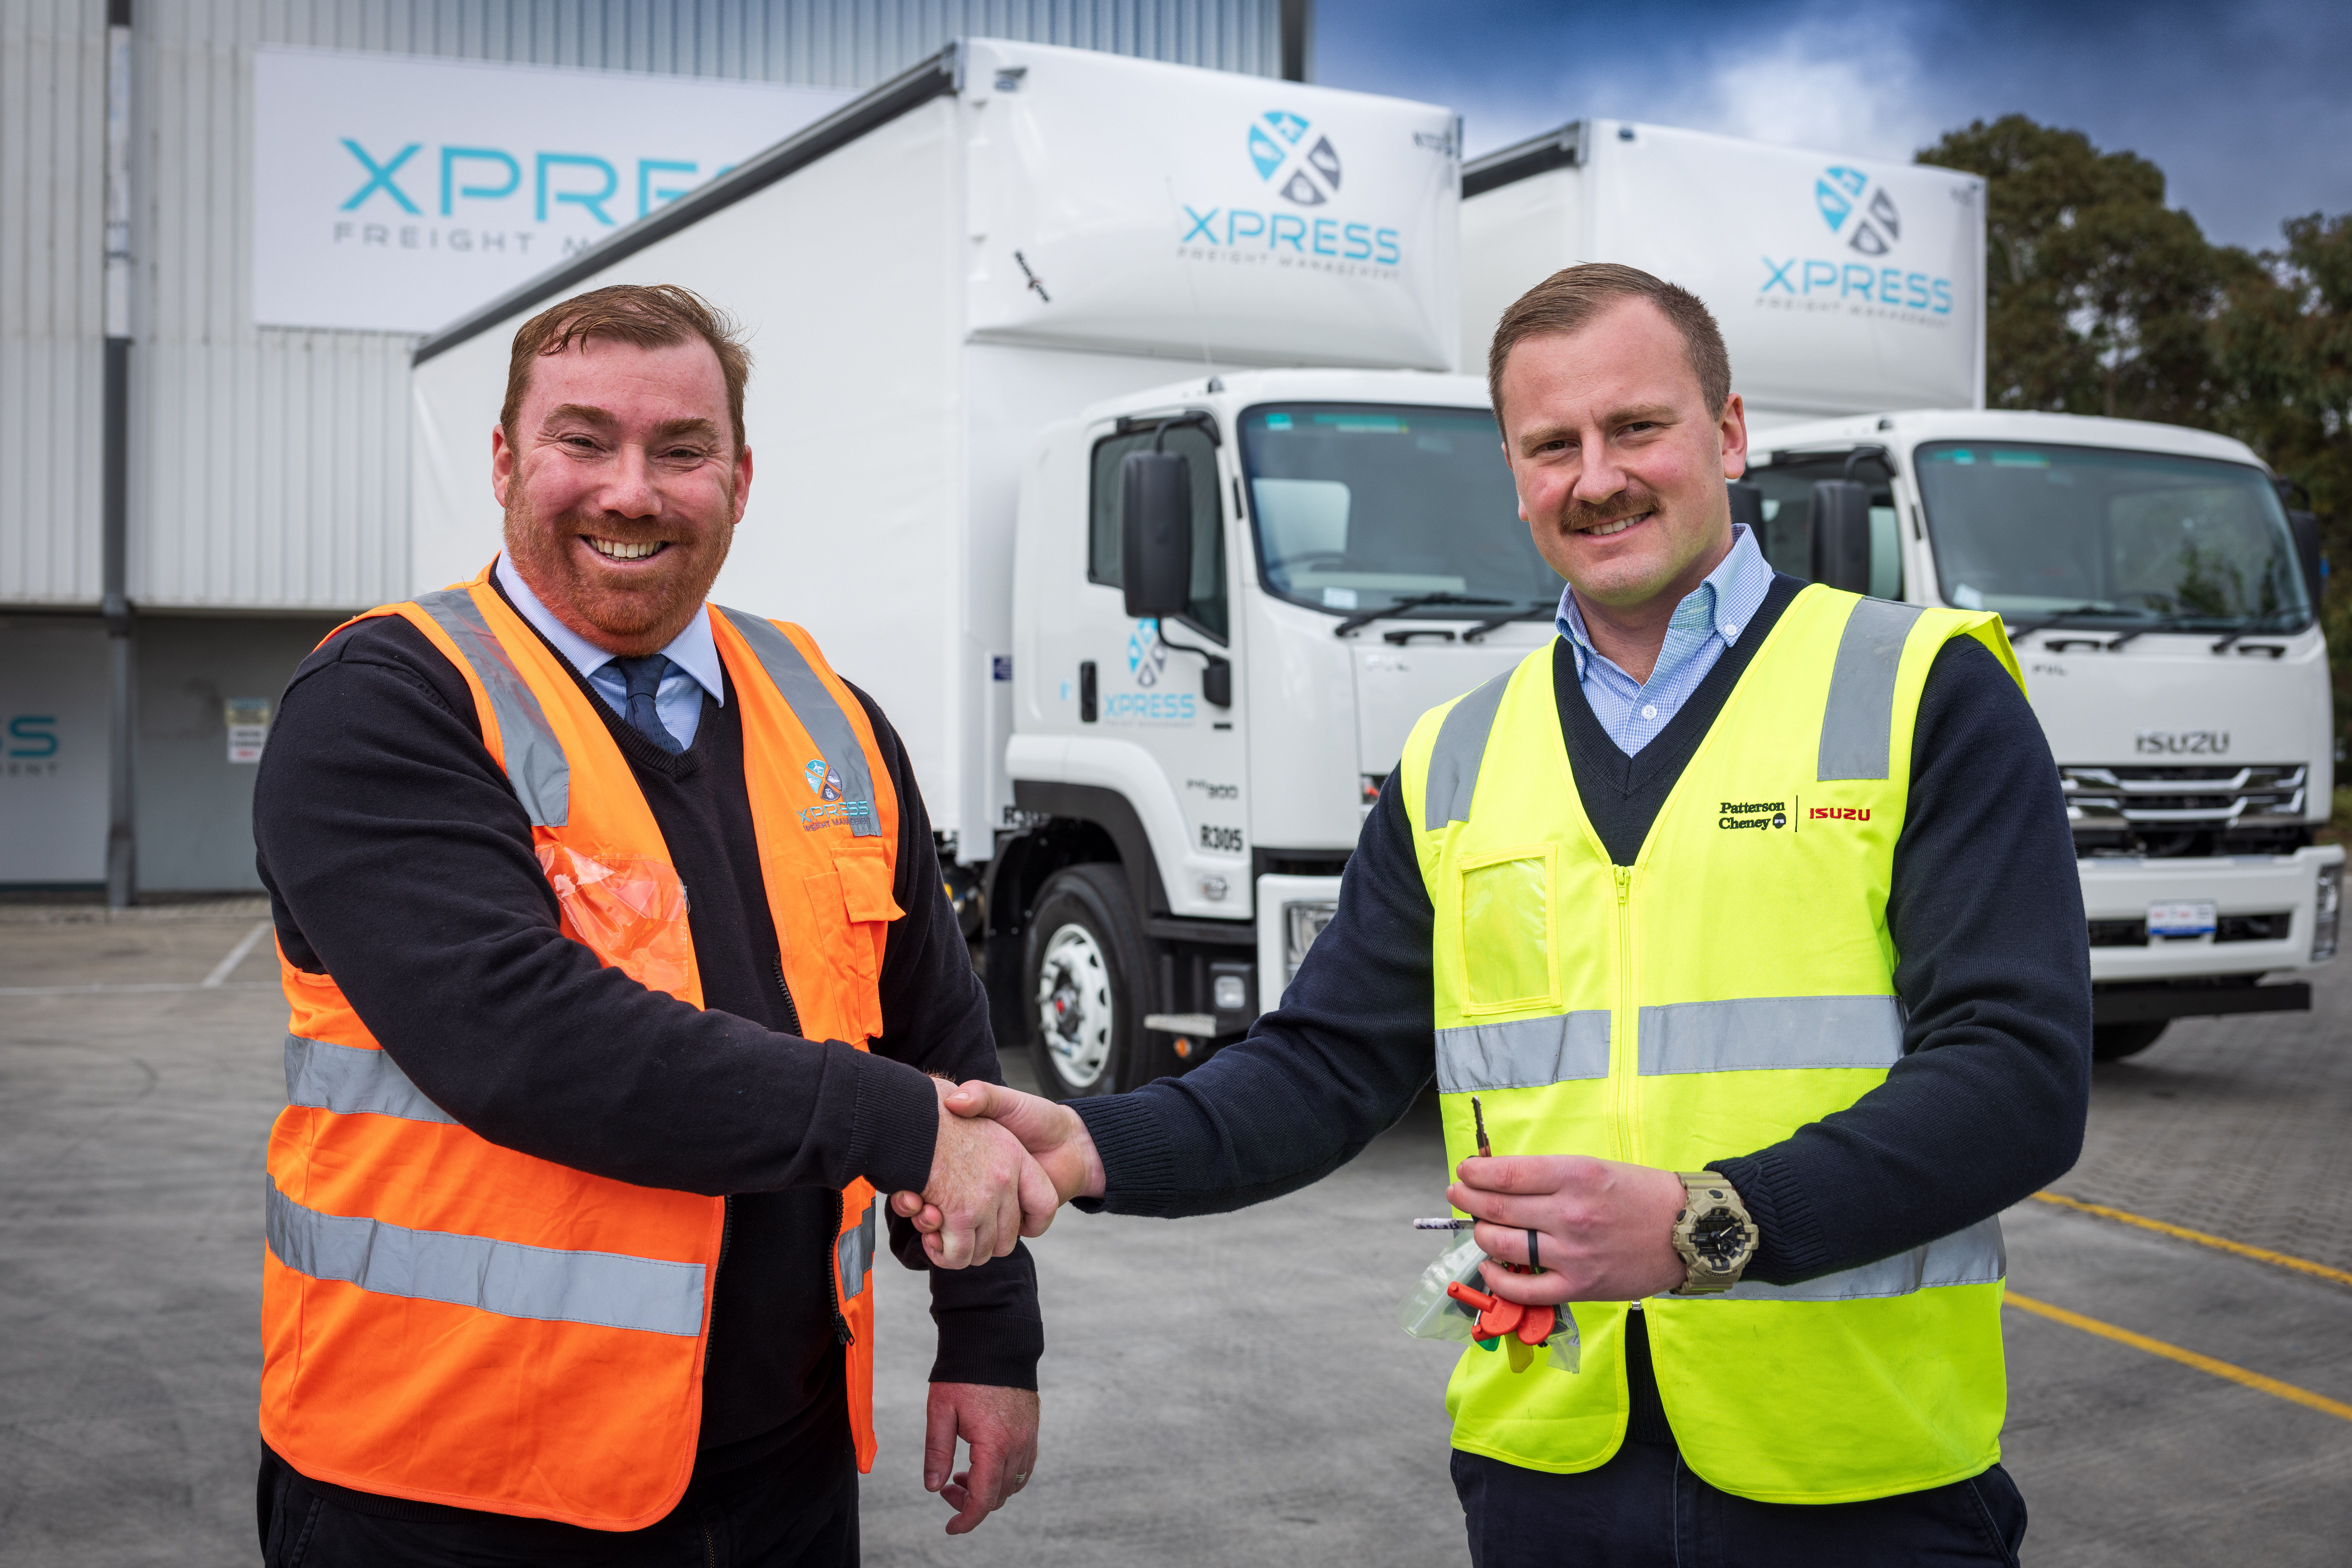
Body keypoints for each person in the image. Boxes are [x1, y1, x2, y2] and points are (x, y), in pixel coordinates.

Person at [909, 263, 2091, 1565]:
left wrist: (1712, 1219)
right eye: (1551, 445)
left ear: (1730, 432)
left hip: (1858, 1472)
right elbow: (1325, 1064)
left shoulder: (1918, 688)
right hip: (1548, 1469)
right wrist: (1088, 1140)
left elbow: (2015, 1075)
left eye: (1636, 427)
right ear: (1516, 473)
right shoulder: (1457, 756)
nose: (1595, 477)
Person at [251, 284, 1055, 1566]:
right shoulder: (387, 701)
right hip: (444, 1484)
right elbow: (523, 1039)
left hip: (778, 1470)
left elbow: (938, 1032)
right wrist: (896, 1126)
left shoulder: (829, 715)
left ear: (739, 480)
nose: (632, 490)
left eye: (680, 450)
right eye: (584, 440)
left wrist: (988, 1331)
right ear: (508, 462)